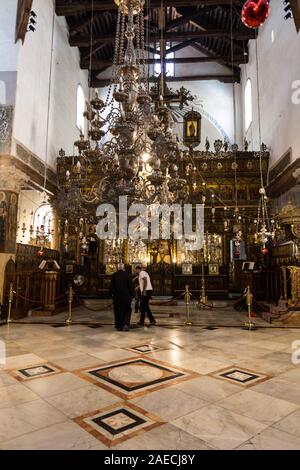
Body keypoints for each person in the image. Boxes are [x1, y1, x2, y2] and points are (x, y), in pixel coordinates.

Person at [110, 263, 134, 331]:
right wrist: (133, 295)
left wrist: (110, 295)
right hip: (126, 296)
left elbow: (111, 287)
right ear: (123, 268)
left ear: (117, 268)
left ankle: (119, 326)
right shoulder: (127, 275)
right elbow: (130, 286)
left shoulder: (114, 275)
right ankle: (126, 324)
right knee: (127, 310)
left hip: (117, 297)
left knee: (117, 311)